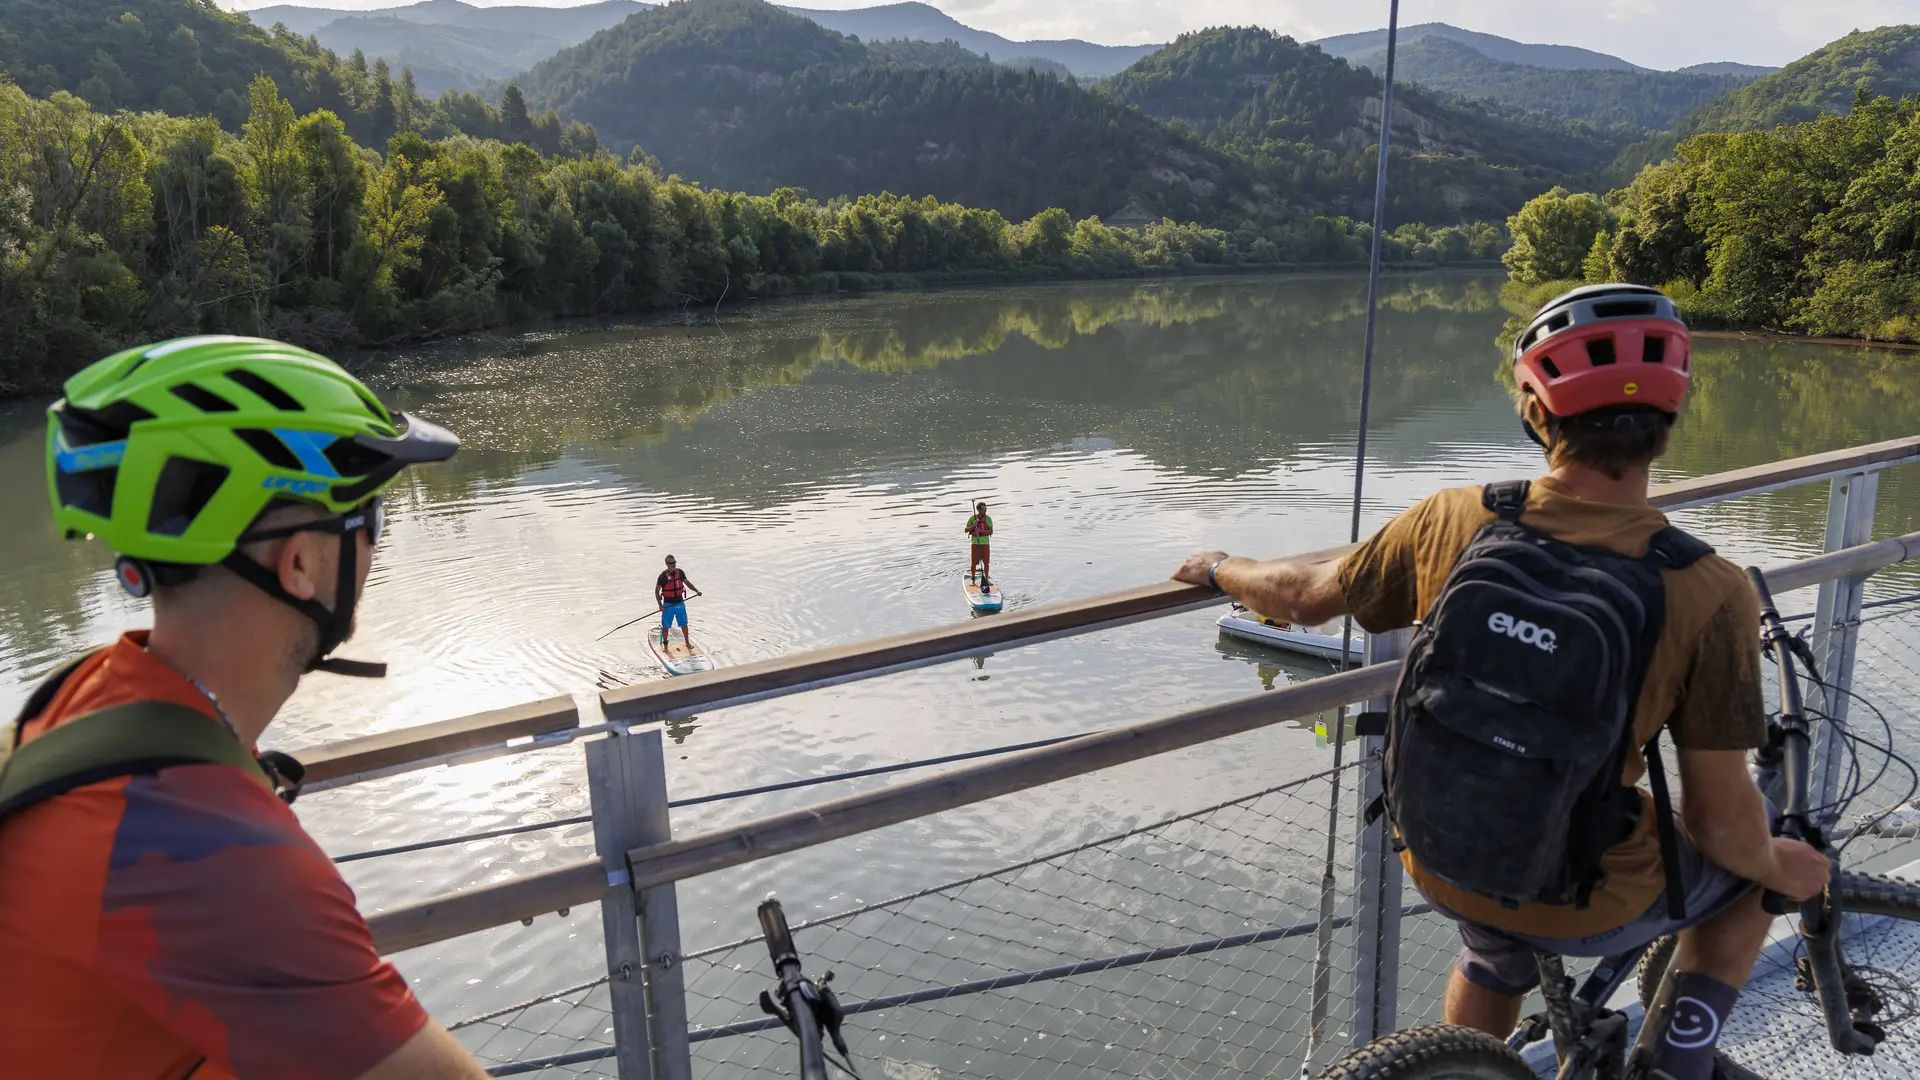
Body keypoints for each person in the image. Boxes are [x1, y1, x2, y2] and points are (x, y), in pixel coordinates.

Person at [1173, 285, 1831, 1080]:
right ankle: (1676, 1065)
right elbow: (1725, 829)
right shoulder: (1709, 588)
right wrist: (1784, 868)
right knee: (1753, 876)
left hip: (1440, 851)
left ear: (1533, 408)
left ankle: (1472, 1065)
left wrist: (1217, 567)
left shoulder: (1455, 516)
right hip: (1584, 894)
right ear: (1672, 414)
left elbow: (1301, 597)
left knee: (1493, 949)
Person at [0, 337, 489, 1079]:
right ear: (298, 562)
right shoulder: (210, 854)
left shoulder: (78, 698)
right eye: (372, 523)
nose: (377, 551)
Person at [656, 554, 701, 650]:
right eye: (671, 563)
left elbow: (687, 583)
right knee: (666, 626)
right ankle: (665, 646)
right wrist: (660, 605)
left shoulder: (680, 573)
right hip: (668, 605)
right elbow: (657, 591)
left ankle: (687, 643)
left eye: (674, 562)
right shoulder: (663, 577)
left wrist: (696, 591)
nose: (673, 564)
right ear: (666, 564)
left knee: (684, 624)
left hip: (680, 603)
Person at [964, 501, 993, 587]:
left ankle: (986, 579)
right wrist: (973, 526)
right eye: (983, 509)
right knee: (973, 563)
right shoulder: (972, 518)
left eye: (986, 509)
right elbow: (966, 530)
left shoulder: (988, 519)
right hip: (975, 543)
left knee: (986, 563)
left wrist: (981, 531)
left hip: (985, 544)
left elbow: (991, 531)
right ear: (978, 510)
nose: (985, 511)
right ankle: (973, 580)